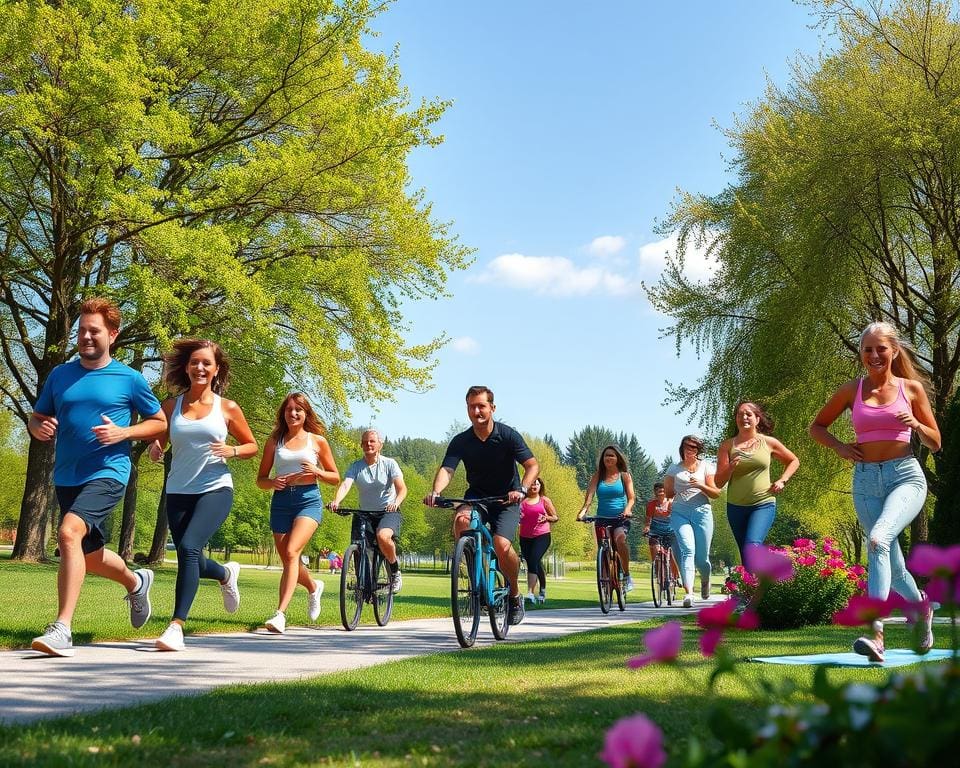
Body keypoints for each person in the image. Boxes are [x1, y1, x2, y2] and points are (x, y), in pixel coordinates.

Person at [30, 298, 167, 657]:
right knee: (89, 556)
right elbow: (37, 415)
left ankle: (62, 628)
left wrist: (124, 433)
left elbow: (159, 423)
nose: (86, 337)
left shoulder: (129, 378)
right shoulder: (60, 374)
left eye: (94, 331)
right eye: (81, 331)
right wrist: (38, 426)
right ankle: (136, 582)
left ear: (112, 334)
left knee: (67, 533)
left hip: (109, 472)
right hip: (67, 475)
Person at [810, 321, 940, 662]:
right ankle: (923, 608)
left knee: (879, 540)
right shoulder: (851, 390)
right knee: (894, 567)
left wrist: (916, 424)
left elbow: (936, 442)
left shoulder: (910, 389)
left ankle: (876, 634)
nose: (874, 355)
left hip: (905, 477)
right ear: (861, 355)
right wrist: (839, 447)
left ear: (894, 351)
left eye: (881, 348)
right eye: (867, 349)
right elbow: (817, 426)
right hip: (865, 481)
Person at [146, 339, 257, 651]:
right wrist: (156, 446)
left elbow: (251, 446)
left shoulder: (228, 408)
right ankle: (224, 573)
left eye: (207, 363)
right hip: (178, 490)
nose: (200, 367)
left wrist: (232, 449)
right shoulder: (171, 406)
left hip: (215, 488)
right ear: (186, 367)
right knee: (189, 554)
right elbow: (159, 438)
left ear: (216, 369)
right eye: (195, 362)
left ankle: (176, 626)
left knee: (189, 548)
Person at [425, 386, 539, 625]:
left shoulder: (508, 435)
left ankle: (515, 596)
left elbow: (532, 465)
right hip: (476, 497)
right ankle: (474, 573)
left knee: (501, 543)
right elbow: (448, 469)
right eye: (471, 406)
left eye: (481, 406)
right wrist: (436, 492)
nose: (476, 411)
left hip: (507, 500)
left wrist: (522, 489)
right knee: (461, 521)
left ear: (492, 408)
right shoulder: (461, 441)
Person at [256, 392, 339, 634]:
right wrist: (272, 483)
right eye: (289, 409)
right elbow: (260, 479)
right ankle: (314, 587)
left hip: (308, 500)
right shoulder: (275, 441)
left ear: (306, 414)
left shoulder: (317, 441)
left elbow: (334, 477)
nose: (293, 414)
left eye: (298, 410)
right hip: (281, 501)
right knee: (288, 559)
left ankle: (280, 614)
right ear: (283, 413)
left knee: (292, 552)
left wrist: (317, 471)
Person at [714, 401, 800, 564]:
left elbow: (793, 460)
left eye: (748, 414)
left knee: (752, 546)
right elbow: (718, 482)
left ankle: (762, 580)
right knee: (745, 554)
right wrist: (730, 468)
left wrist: (783, 480)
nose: (744, 417)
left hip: (763, 503)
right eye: (740, 414)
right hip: (736, 506)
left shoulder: (768, 442)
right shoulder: (727, 446)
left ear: (757, 419)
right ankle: (753, 588)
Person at [330, 429, 407, 592]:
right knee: (359, 547)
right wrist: (336, 501)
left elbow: (402, 489)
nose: (368, 444)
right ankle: (363, 587)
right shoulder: (356, 466)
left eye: (372, 441)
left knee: (383, 536)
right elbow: (345, 484)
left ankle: (394, 571)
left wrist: (396, 502)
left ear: (380, 444)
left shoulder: (389, 464)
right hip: (364, 513)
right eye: (365, 442)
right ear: (361, 445)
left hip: (388, 511)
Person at [664, 434, 721, 608]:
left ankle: (705, 579)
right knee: (687, 550)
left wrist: (700, 485)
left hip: (702, 512)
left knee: (702, 558)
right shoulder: (673, 469)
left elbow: (715, 493)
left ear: (698, 450)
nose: (691, 451)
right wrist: (674, 490)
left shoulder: (706, 467)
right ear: (682, 449)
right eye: (688, 447)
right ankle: (689, 593)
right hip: (680, 513)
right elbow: (668, 494)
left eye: (694, 448)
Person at [576, 445, 636, 592]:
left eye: (612, 455)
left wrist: (627, 510)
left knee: (619, 541)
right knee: (603, 550)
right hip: (602, 518)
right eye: (606, 456)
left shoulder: (624, 476)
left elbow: (631, 498)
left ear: (617, 459)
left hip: (620, 518)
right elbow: (589, 496)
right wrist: (583, 511)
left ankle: (627, 575)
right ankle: (606, 582)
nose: (608, 458)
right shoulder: (598, 476)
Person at [519, 478, 558, 604]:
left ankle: (530, 593)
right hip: (525, 537)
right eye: (531, 484)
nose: (534, 486)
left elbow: (555, 517)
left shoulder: (544, 500)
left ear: (540, 486)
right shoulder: (521, 501)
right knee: (534, 562)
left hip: (542, 536)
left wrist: (546, 517)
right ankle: (542, 590)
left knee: (533, 560)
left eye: (536, 484)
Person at [643, 482, 680, 583]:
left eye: (663, 491)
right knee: (655, 551)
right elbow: (648, 520)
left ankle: (677, 577)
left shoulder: (671, 503)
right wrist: (646, 528)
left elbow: (676, 518)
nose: (661, 493)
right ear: (655, 492)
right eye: (659, 491)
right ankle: (659, 575)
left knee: (673, 554)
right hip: (655, 532)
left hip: (669, 532)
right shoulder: (651, 505)